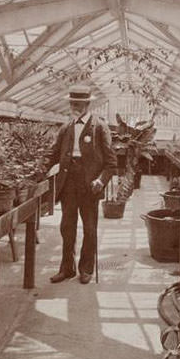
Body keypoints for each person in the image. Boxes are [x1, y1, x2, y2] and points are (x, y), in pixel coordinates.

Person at [44, 85, 117, 284]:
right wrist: (38, 174)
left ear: (87, 104)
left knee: (90, 228)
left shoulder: (100, 127)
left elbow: (111, 163)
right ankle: (67, 269)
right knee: (67, 226)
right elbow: (52, 155)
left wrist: (100, 181)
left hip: (89, 185)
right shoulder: (66, 127)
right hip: (68, 182)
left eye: (78, 103)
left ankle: (86, 269)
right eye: (71, 102)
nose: (74, 106)